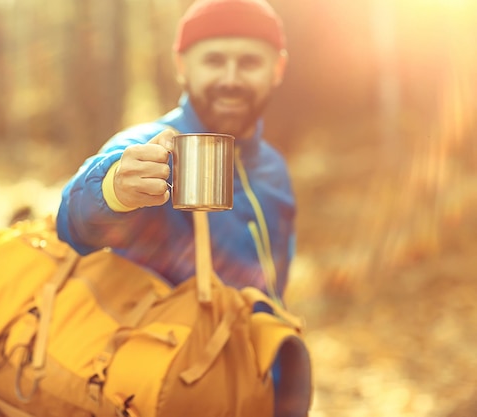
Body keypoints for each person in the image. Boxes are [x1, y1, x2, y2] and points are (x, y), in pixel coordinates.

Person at [57, 0, 308, 415]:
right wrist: (113, 187)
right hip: (165, 394)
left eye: (249, 62)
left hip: (257, 389)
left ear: (277, 69)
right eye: (213, 60)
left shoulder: (274, 168)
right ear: (182, 65)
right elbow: (71, 224)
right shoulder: (148, 147)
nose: (230, 79)